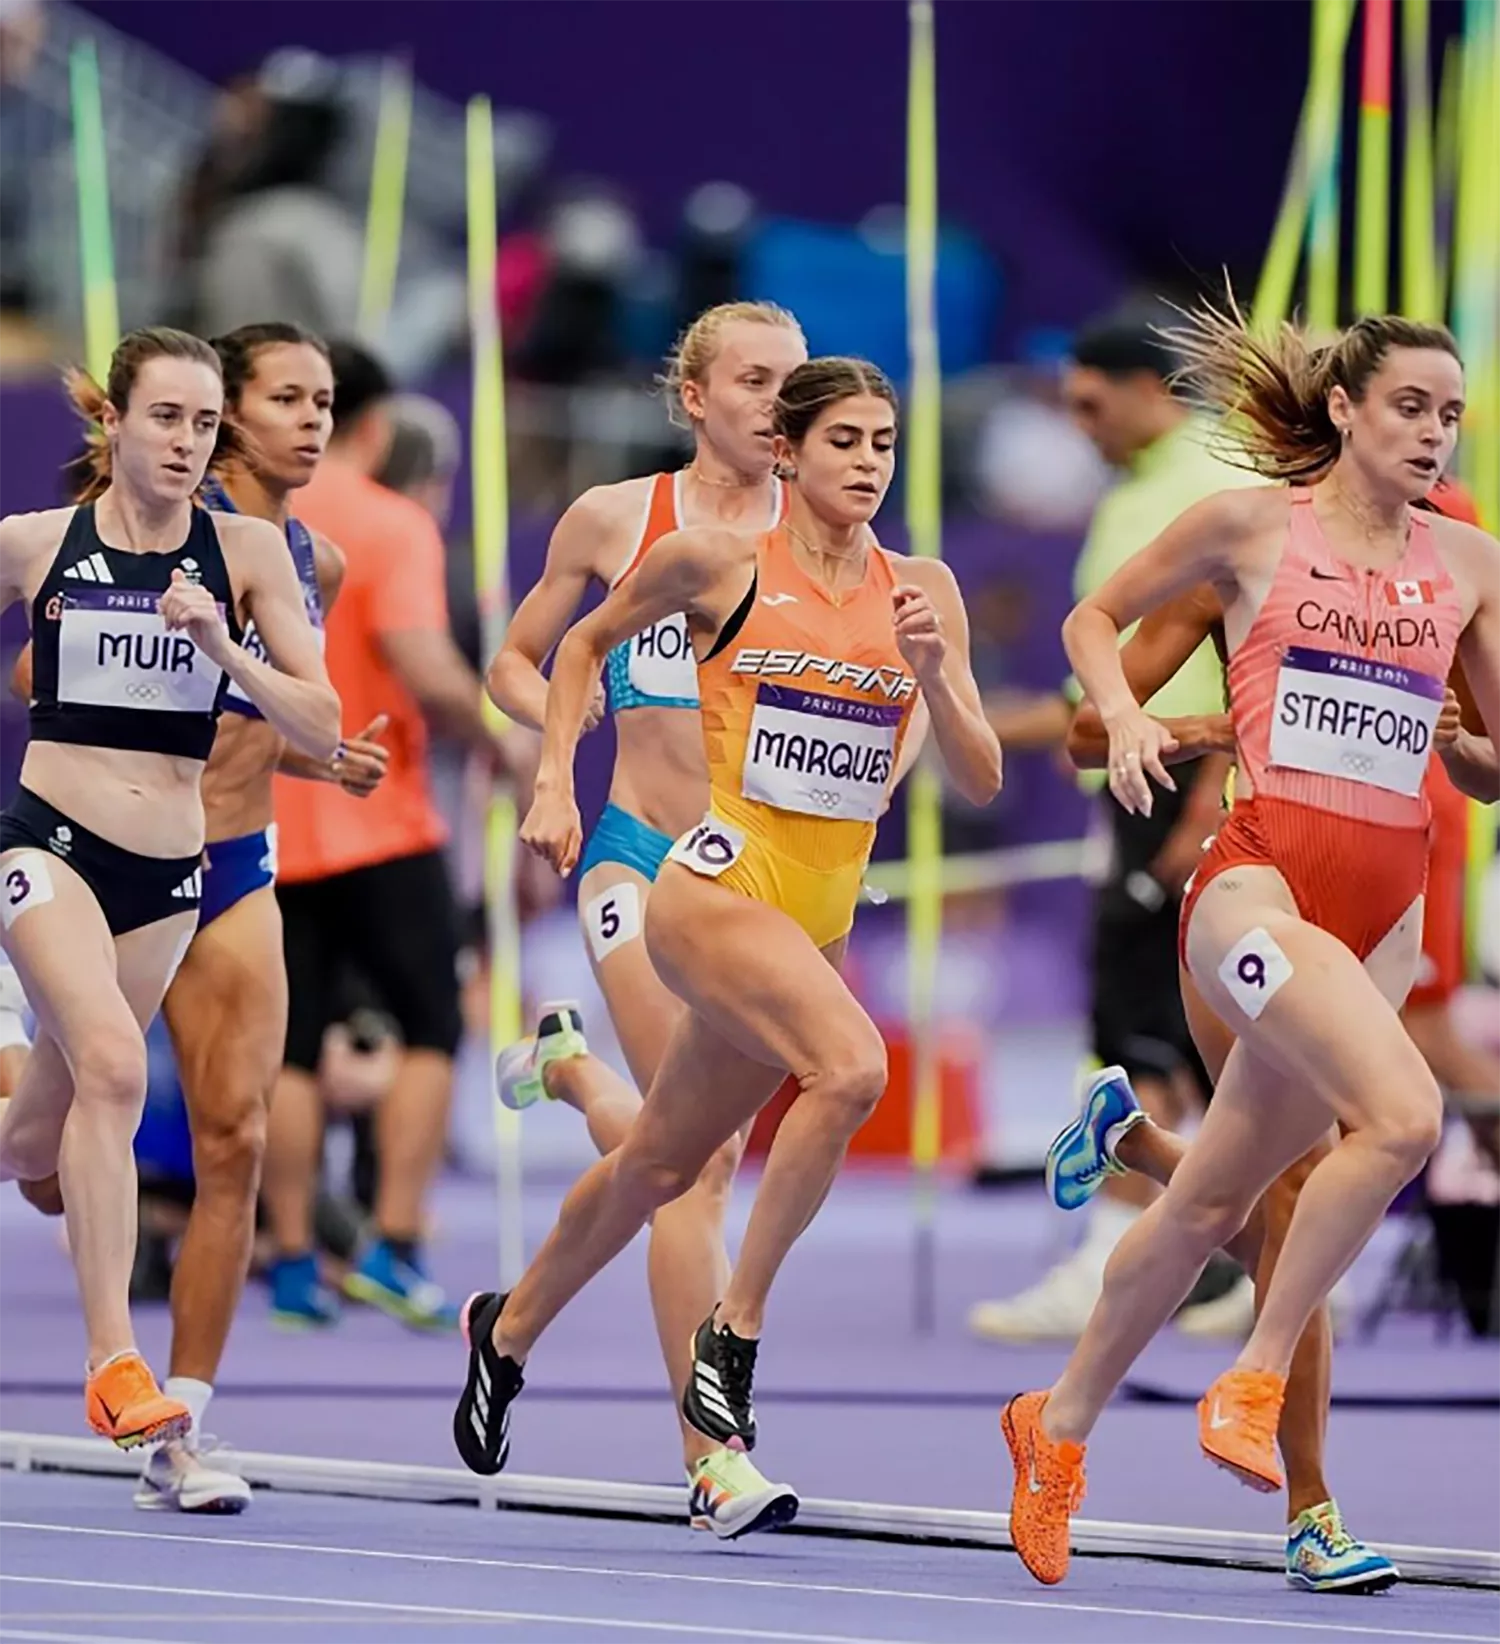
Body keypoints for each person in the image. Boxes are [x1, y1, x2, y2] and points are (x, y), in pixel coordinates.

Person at [1004, 305, 1500, 1587]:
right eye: (1410, 407)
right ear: (1344, 407)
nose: (1433, 434)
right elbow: (1091, 627)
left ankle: (1054, 1426)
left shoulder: (1469, 562)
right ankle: (1264, 1391)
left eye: (1450, 415)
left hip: (1382, 917)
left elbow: (1495, 764)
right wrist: (1130, 721)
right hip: (1256, 886)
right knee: (1397, 1123)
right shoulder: (1247, 527)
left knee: (1222, 1199)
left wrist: (1466, 751)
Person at [450, 357, 1000, 1507]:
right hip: (683, 873)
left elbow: (980, 774)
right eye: (841, 438)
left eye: (883, 442)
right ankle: (724, 1387)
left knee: (664, 1155)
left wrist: (937, 682)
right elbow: (568, 649)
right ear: (772, 441)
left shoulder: (922, 589)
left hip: (816, 906)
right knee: (847, 1071)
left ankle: (509, 1324)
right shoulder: (688, 549)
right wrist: (553, 776)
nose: (868, 461)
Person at [484, 300, 809, 1535]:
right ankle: (714, 1458)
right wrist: (559, 754)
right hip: (632, 855)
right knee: (703, 1165)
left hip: (754, 886)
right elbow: (519, 661)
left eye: (793, 382)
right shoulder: (618, 519)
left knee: (675, 1147)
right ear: (694, 395)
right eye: (753, 379)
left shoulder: (825, 536)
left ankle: (567, 1075)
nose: (776, 403)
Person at [0, 325, 340, 1449]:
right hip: (48, 846)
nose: (187, 442)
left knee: (33, 1146)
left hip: (169, 876)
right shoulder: (35, 543)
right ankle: (115, 1363)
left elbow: (323, 723)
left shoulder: (245, 554)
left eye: (203, 423)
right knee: (112, 1065)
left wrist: (227, 649)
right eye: (164, 418)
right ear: (112, 421)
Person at [972, 305, 1261, 1342]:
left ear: (1148, 388)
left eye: (1093, 405)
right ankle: (1212, 1260)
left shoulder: (1206, 485)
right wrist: (958, 719)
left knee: (1145, 1029)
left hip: (1187, 783)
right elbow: (1093, 692)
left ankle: (1125, 1260)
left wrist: (1208, 792)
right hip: (1143, 770)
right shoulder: (1133, 493)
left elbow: (1242, 651)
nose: (1080, 427)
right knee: (1166, 1035)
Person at [262, 341, 522, 1330]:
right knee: (430, 1025)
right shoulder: (388, 520)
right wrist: (496, 738)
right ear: (373, 426)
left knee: (289, 1048)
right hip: (378, 814)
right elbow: (422, 660)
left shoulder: (252, 517)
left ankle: (294, 1261)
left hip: (268, 819)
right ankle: (395, 1245)